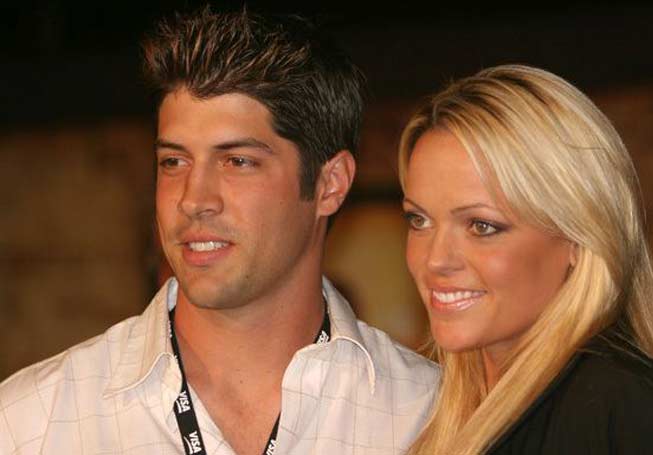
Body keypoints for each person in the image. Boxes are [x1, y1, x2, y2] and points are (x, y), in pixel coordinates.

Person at [0, 8, 439, 455]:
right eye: (174, 162)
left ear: (330, 185)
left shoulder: (430, 418)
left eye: (237, 162)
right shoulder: (28, 425)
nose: (193, 199)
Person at [398, 64, 653, 454]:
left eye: (482, 226)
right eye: (419, 220)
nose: (435, 260)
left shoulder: (628, 411)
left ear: (578, 236)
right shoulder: (442, 413)